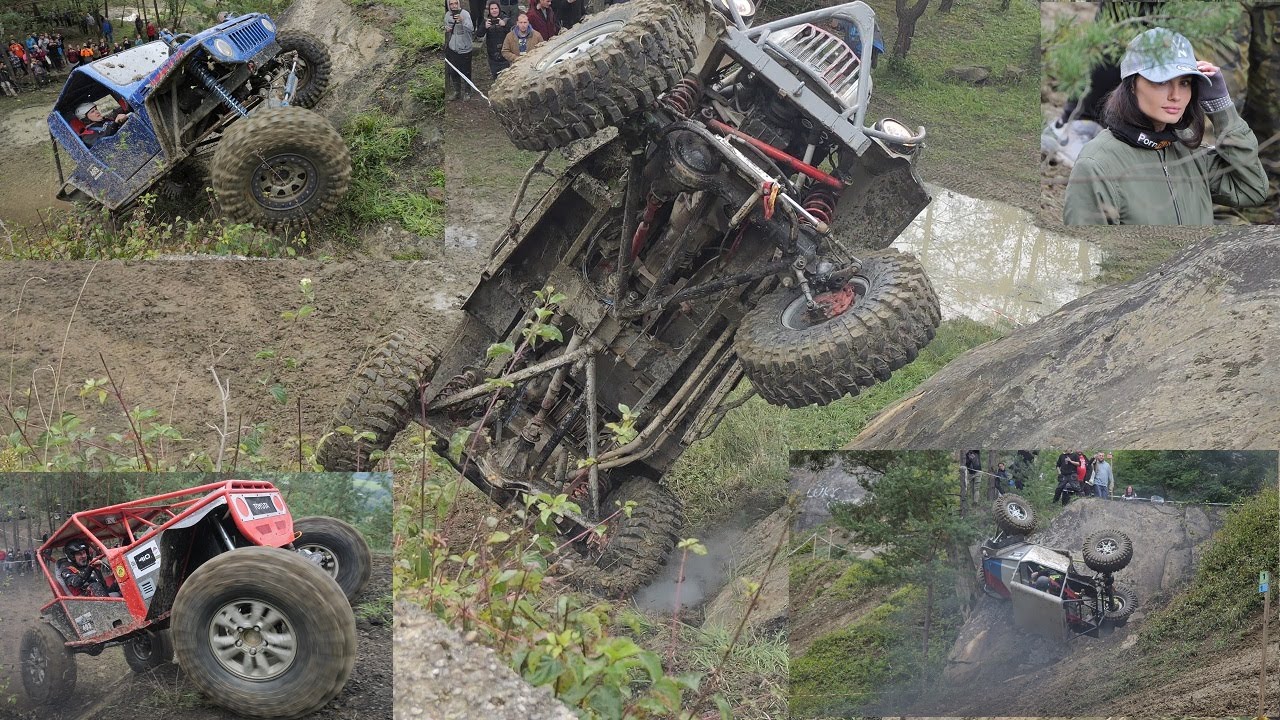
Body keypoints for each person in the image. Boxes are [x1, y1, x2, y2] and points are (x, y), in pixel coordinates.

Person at [1063, 27, 1267, 225]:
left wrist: (1222, 109)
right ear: (1132, 85)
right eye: (1161, 82)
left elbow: (1252, 189)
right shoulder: (1097, 165)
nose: (1175, 95)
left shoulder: (1187, 150)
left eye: (1185, 83)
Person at [444, 0, 475, 101]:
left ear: (458, 3)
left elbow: (471, 29)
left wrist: (463, 21)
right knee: (453, 71)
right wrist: (446, 29)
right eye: (451, 4)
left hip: (465, 48)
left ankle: (467, 91)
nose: (453, 6)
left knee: (466, 71)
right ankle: (457, 91)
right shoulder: (447, 15)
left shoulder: (465, 14)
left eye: (455, 3)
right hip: (453, 48)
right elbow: (445, 27)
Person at [479, 1, 510, 79]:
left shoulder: (506, 19)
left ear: (499, 9)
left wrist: (504, 25)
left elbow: (513, 33)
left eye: (496, 8)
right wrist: (484, 27)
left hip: (505, 55)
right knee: (496, 78)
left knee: (506, 79)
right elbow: (479, 34)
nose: (494, 10)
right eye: (492, 9)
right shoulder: (486, 20)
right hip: (492, 55)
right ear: (489, 10)